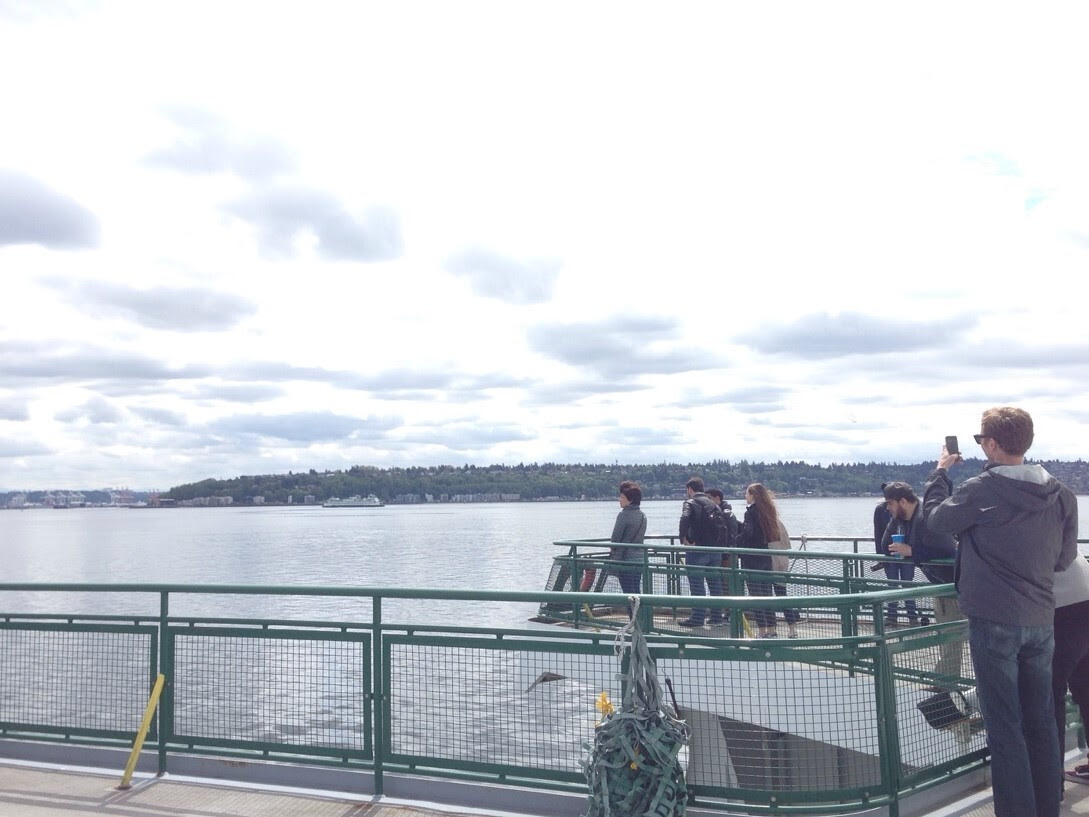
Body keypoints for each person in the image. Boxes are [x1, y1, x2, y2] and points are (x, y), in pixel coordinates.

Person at [924, 406, 1078, 817]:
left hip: (994, 620)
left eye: (981, 440)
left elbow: (936, 520)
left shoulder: (981, 489)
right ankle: (1047, 806)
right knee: (1041, 720)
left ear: (991, 443)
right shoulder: (1062, 495)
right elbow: (1063, 559)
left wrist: (940, 473)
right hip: (1041, 619)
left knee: (1005, 725)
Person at [880, 481, 962, 687]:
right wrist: (895, 524)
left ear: (903, 501)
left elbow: (948, 550)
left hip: (960, 585)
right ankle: (944, 681)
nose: (887, 508)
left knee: (959, 635)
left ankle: (947, 683)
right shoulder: (902, 520)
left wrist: (912, 551)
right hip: (941, 586)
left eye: (890, 504)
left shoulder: (926, 517)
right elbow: (885, 546)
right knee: (947, 636)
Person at [1050, 553, 1089, 790]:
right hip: (1085, 588)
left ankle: (1051, 785)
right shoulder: (1059, 514)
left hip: (1060, 604)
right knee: (1087, 688)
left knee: (1047, 695)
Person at [677, 477, 725, 628]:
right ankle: (717, 617)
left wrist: (682, 538)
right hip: (714, 550)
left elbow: (685, 518)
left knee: (697, 584)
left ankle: (698, 617)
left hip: (696, 549)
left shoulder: (690, 502)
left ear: (690, 490)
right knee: (715, 584)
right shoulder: (713, 504)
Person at [876, 482, 919, 627]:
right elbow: (879, 536)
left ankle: (912, 617)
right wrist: (882, 555)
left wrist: (910, 550)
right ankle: (892, 616)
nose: (889, 506)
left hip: (907, 556)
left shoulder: (915, 515)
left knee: (908, 585)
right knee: (892, 586)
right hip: (891, 556)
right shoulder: (880, 510)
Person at [736, 482, 776, 637]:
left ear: (753, 495)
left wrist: (734, 540)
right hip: (765, 556)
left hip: (752, 558)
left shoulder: (751, 513)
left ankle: (761, 630)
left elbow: (748, 533)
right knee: (767, 594)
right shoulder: (768, 511)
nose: (745, 496)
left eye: (747, 493)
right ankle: (772, 629)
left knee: (755, 595)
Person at [766, 502, 802, 638]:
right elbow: (787, 544)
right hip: (782, 562)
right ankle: (792, 628)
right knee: (782, 595)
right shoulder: (779, 523)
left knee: (767, 597)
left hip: (770, 563)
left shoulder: (765, 524)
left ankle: (772, 628)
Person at [609, 480, 648, 600]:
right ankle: (639, 617)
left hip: (626, 560)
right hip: (640, 559)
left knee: (629, 595)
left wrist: (613, 548)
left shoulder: (624, 515)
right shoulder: (642, 515)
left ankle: (634, 617)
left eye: (621, 497)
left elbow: (615, 539)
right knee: (636, 591)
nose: (619, 499)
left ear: (630, 500)